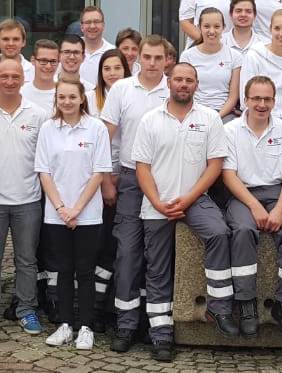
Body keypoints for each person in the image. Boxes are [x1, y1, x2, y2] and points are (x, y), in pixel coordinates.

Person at [132, 63, 235, 362]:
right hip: (157, 203)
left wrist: (188, 198)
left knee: (219, 232)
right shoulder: (151, 120)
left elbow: (215, 165)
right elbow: (142, 167)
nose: (183, 84)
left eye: (189, 80)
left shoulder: (209, 118)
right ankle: (161, 335)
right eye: (178, 79)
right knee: (158, 269)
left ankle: (219, 306)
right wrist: (157, 202)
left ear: (197, 85)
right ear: (169, 82)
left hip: (195, 198)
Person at [0, 58, 50, 337]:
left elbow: (45, 159)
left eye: (15, 76)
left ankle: (26, 309)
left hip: (28, 199)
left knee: (26, 260)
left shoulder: (38, 115)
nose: (10, 81)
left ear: (23, 80)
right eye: (4, 76)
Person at [223, 76, 282, 338]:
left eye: (267, 99)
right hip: (243, 194)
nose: (262, 104)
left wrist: (280, 209)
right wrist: (254, 206)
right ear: (245, 100)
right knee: (243, 231)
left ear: (274, 101)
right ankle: (246, 305)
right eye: (256, 98)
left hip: (278, 193)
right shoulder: (230, 130)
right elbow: (228, 175)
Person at [100, 35, 169, 353]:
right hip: (129, 181)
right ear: (138, 57)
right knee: (127, 253)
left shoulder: (174, 89)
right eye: (147, 57)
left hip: (164, 183)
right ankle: (126, 325)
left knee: (158, 257)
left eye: (158, 58)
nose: (152, 63)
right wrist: (106, 181)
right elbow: (104, 137)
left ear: (166, 60)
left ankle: (159, 330)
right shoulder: (122, 89)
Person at [36, 79, 112, 350]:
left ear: (82, 98)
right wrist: (61, 208)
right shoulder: (48, 128)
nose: (66, 102)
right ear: (56, 100)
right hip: (56, 214)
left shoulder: (96, 128)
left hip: (87, 214)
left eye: (72, 97)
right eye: (61, 97)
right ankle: (66, 324)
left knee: (86, 270)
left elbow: (99, 172)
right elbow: (44, 172)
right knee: (63, 270)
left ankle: (86, 327)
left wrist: (77, 209)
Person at [90, 49, 131, 330]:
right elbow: (96, 143)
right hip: (100, 180)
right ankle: (96, 307)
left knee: (122, 246)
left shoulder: (133, 95)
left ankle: (116, 307)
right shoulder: (91, 100)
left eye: (117, 68)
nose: (112, 73)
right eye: (107, 68)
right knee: (102, 245)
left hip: (127, 177)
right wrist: (106, 180)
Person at [238, 9, 282, 121]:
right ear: (270, 29)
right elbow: (245, 98)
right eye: (277, 28)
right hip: (259, 118)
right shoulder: (254, 56)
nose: (281, 34)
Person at [179, 8, 242, 119]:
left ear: (223, 28)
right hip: (193, 112)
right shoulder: (187, 56)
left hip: (224, 114)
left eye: (217, 26)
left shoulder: (235, 56)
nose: (212, 31)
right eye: (207, 26)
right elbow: (184, 90)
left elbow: (233, 97)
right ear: (199, 27)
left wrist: (217, 117)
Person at [0, 19, 36, 83]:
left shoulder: (35, 73)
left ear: (23, 42)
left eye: (16, 39)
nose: (10, 43)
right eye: (5, 39)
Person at [22, 39, 61, 112]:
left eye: (53, 61)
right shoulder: (21, 93)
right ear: (33, 60)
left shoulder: (65, 94)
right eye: (43, 61)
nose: (48, 66)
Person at [79, 6, 116, 84]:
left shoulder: (113, 52)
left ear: (103, 25)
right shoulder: (71, 50)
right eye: (88, 22)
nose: (92, 26)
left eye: (96, 22)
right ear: (81, 27)